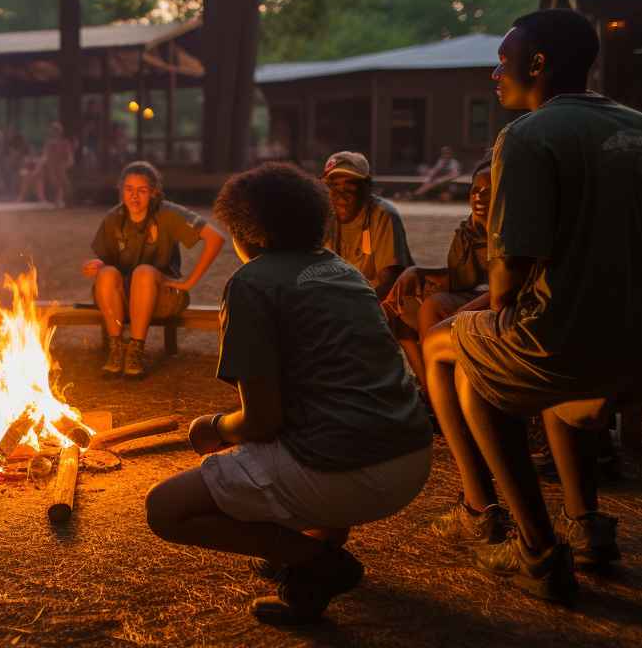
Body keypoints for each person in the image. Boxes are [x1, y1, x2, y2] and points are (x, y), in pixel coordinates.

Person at [422, 9, 642, 606]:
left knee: (453, 349)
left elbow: (508, 275)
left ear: (538, 64)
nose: (495, 72)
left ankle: (512, 533)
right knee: (511, 356)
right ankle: (590, 529)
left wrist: (492, 305)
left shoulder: (526, 137)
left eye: (503, 59)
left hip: (566, 348)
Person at [144, 164, 432, 626]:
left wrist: (212, 428)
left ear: (244, 232)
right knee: (326, 417)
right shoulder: (344, 271)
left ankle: (318, 563)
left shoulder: (252, 282)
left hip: (346, 470)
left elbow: (261, 422)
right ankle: (313, 555)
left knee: (165, 509)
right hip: (410, 458)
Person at [82, 161, 224, 378]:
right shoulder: (114, 218)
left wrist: (189, 282)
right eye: (129, 190)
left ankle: (136, 351)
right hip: (126, 300)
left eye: (142, 190)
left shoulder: (168, 213)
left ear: (154, 192)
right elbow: (108, 265)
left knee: (144, 272)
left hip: (162, 297)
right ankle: (117, 349)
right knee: (107, 274)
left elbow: (215, 238)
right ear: (121, 190)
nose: (134, 197)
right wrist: (98, 266)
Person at [382, 155, 492, 385]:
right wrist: (418, 273)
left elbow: (505, 289)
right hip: (473, 295)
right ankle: (427, 386)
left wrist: (453, 314)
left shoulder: (509, 232)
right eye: (475, 190)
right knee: (403, 304)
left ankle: (440, 386)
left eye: (488, 191)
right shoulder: (471, 228)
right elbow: (462, 278)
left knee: (432, 306)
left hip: (498, 306)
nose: (478, 197)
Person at [322, 151, 414, 300]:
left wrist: (357, 307)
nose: (341, 195)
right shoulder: (323, 216)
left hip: (374, 301)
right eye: (334, 186)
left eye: (350, 187)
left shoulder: (382, 215)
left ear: (366, 188)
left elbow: (390, 280)